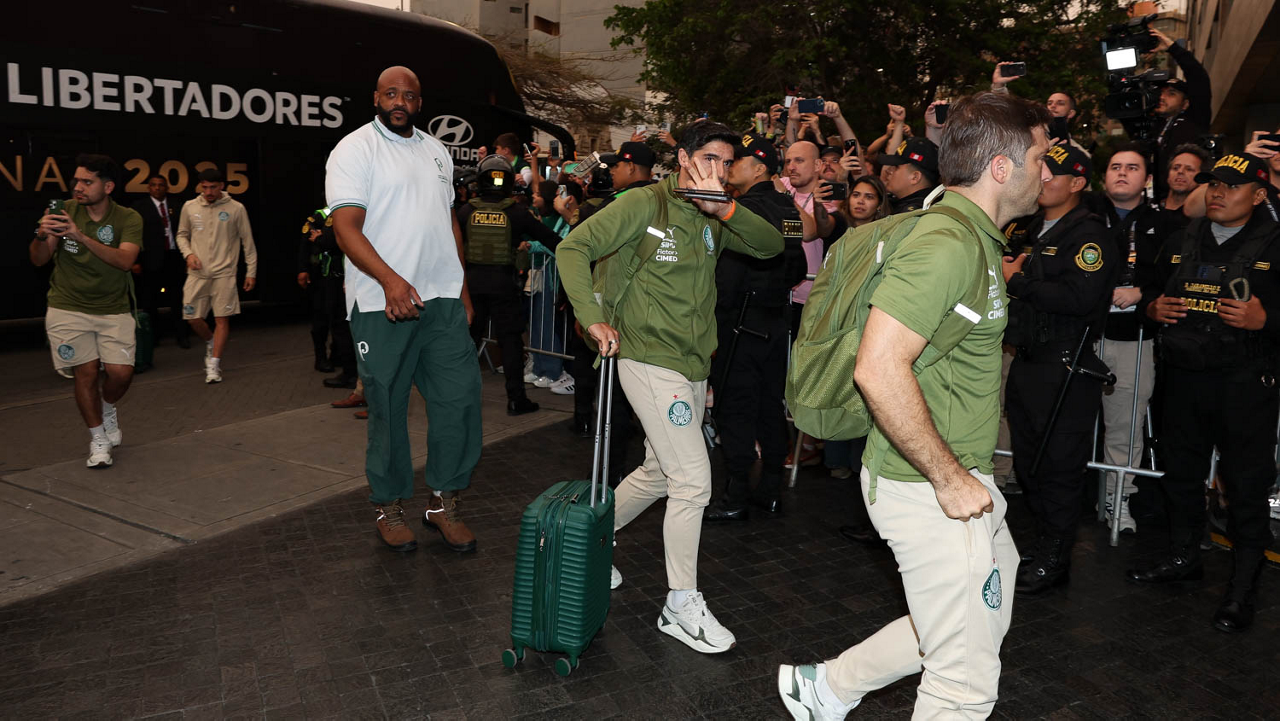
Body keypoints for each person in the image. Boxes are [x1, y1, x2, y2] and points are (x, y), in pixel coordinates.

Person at [778, 91, 1050, 720]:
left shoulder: (970, 237)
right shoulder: (948, 245)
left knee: (990, 594)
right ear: (1002, 168)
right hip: (928, 485)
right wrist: (949, 478)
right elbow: (878, 367)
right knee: (963, 684)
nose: (1048, 170)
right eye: (1039, 156)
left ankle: (828, 688)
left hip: (946, 476)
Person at [557, 121, 784, 655]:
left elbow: (771, 245)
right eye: (708, 158)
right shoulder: (645, 204)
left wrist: (721, 207)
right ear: (681, 157)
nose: (718, 171)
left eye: (727, 164)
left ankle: (589, 545)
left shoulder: (713, 213)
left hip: (691, 363)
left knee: (660, 471)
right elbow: (573, 249)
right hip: (643, 356)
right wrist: (592, 319)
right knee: (692, 481)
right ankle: (680, 604)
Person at [326, 65, 483, 554]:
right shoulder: (354, 149)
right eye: (391, 93)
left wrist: (461, 287)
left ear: (420, 103)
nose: (400, 101)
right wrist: (391, 281)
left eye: (409, 96)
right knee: (389, 411)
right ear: (376, 97)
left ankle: (442, 503)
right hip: (382, 302)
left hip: (441, 301)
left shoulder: (437, 151)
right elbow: (346, 227)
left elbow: (448, 224)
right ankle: (389, 506)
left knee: (460, 402)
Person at [1129, 153, 1280, 633]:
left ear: (1259, 194)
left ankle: (1242, 586)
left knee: (1246, 487)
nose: (1217, 193)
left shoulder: (1277, 245)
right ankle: (1182, 557)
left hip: (1244, 385)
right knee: (1180, 475)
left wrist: (1266, 321)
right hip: (1183, 379)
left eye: (1231, 186)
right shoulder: (1179, 240)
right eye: (1213, 184)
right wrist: (1152, 311)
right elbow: (1145, 301)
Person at [1003, 143, 1117, 595]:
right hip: (1029, 361)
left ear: (1077, 183)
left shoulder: (1089, 235)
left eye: (1054, 174)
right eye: (1041, 171)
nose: (1043, 179)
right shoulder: (1029, 227)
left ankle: (1057, 557)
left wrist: (1019, 281)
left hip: (1066, 366)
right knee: (1029, 465)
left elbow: (1078, 299)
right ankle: (1044, 544)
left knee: (1059, 467)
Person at [705, 132, 820, 522]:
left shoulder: (742, 210)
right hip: (774, 322)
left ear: (758, 168)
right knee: (769, 407)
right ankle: (770, 488)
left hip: (740, 322)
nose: (728, 167)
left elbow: (728, 275)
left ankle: (735, 494)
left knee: (735, 409)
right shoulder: (787, 210)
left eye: (734, 161)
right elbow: (797, 267)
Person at [1094, 144, 1187, 533]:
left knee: (1125, 426)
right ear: (1103, 177)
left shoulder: (1166, 225)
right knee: (1071, 422)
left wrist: (1143, 296)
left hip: (1135, 338)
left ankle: (1119, 499)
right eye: (1115, 167)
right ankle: (1066, 495)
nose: (1122, 173)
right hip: (1082, 334)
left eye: (1132, 168)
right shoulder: (1084, 218)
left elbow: (1175, 282)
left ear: (1147, 180)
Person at [30, 154, 144, 468]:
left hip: (113, 309)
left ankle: (107, 407)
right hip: (67, 306)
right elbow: (39, 260)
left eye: (87, 182)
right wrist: (42, 234)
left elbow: (124, 262)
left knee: (121, 374)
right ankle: (98, 440)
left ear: (108, 187)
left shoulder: (128, 218)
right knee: (87, 373)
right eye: (77, 180)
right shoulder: (62, 210)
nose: (78, 187)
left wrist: (79, 236)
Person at [459, 154, 562, 415]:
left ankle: (459, 400)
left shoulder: (466, 211)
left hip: (470, 287)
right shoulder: (517, 212)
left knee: (466, 344)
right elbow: (553, 241)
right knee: (511, 343)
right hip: (504, 285)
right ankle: (516, 399)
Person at [176, 168, 257, 384]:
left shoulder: (236, 208)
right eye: (204, 187)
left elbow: (247, 243)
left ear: (221, 186)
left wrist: (251, 272)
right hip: (197, 273)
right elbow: (182, 235)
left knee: (222, 319)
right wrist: (189, 254)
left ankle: (214, 365)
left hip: (225, 275)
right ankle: (211, 341)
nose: (208, 191)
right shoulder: (190, 207)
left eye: (213, 187)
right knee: (192, 317)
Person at [297, 206, 358, 388]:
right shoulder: (321, 215)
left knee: (342, 324)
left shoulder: (350, 211)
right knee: (323, 319)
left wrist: (323, 238)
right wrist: (303, 268)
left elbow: (334, 240)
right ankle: (322, 358)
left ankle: (346, 367)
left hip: (344, 277)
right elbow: (306, 241)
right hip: (324, 277)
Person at [1149, 27, 1211, 202]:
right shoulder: (1153, 125)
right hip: (1156, 202)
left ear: (1186, 104)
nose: (1162, 98)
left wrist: (1172, 47)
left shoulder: (1194, 119)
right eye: (1160, 93)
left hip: (1190, 200)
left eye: (1171, 94)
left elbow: (1198, 78)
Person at [129, 175, 188, 351]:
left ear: (166, 188)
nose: (157, 188)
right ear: (149, 188)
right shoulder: (139, 208)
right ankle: (153, 338)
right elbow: (134, 236)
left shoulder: (178, 206)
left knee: (178, 299)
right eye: (153, 185)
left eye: (161, 185)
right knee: (150, 300)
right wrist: (136, 261)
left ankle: (182, 335)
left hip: (174, 257)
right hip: (150, 259)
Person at [880, 137, 941, 213]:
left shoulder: (915, 215)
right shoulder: (900, 203)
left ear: (915, 177)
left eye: (896, 167)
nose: (888, 170)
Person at [1164, 143, 1210, 212]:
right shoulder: (1151, 207)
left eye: (1189, 169)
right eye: (1175, 168)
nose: (1180, 171)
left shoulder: (1203, 218)